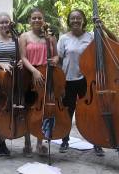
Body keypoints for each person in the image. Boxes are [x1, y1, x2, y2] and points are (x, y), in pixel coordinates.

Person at [57, 9, 109, 156]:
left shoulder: (92, 37)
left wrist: (101, 26)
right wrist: (59, 82)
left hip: (87, 81)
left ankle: (97, 142)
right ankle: (64, 140)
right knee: (68, 111)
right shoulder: (64, 39)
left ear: (83, 20)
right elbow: (59, 61)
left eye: (78, 18)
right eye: (72, 18)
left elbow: (102, 53)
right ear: (69, 21)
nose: (75, 21)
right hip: (68, 80)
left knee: (92, 113)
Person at [19, 8, 59, 157]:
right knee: (29, 109)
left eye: (39, 18)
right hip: (30, 75)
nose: (37, 20)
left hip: (47, 76)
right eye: (34, 18)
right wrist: (34, 71)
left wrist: (55, 59)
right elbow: (23, 57)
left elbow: (56, 56)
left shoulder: (51, 37)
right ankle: (27, 142)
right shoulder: (24, 36)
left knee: (43, 110)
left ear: (44, 20)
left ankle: (40, 142)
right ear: (29, 20)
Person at [0, 13, 18, 156]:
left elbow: (18, 56)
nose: (4, 25)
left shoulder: (15, 39)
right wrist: (0, 64)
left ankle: (3, 142)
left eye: (7, 22)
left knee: (6, 111)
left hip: (9, 81)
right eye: (2, 22)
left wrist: (17, 62)